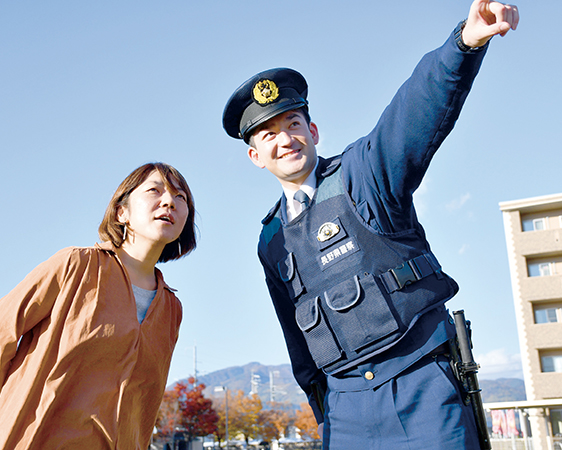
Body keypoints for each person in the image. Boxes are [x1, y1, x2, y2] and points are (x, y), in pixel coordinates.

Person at [222, 1, 518, 449]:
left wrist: (464, 43)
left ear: (314, 131)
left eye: (293, 122)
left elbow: (413, 113)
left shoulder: (363, 174)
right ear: (255, 156)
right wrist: (325, 414)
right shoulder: (271, 239)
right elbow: (296, 338)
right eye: (268, 135)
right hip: (345, 411)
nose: (285, 139)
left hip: (420, 387)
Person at [0, 162, 196, 450]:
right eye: (154, 190)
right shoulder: (74, 265)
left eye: (180, 197)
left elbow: (146, 405)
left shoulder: (171, 309)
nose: (169, 201)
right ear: (122, 212)